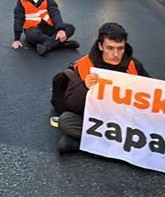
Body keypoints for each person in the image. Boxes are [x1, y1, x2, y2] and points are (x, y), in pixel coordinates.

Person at [53, 23, 150, 153]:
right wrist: (85, 87)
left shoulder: (133, 65)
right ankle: (121, 145)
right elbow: (70, 104)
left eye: (120, 48)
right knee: (66, 120)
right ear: (100, 46)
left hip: (123, 120)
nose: (116, 54)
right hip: (95, 119)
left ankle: (81, 143)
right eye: (110, 48)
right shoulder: (84, 65)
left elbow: (152, 94)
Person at [11, 0, 78, 56]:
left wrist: (60, 29)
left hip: (48, 26)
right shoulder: (21, 1)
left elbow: (55, 13)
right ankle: (62, 44)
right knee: (32, 36)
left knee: (70, 28)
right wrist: (17, 39)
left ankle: (47, 46)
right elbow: (18, 18)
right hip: (32, 28)